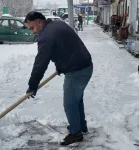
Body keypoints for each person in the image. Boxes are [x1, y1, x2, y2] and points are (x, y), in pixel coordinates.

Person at [24, 11, 93, 146]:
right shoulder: (57, 24)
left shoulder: (46, 36)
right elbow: (65, 47)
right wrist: (61, 66)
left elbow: (40, 63)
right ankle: (80, 126)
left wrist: (33, 85)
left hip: (77, 70)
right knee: (76, 100)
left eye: (32, 28)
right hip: (85, 65)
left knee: (70, 102)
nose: (32, 32)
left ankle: (75, 133)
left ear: (39, 22)